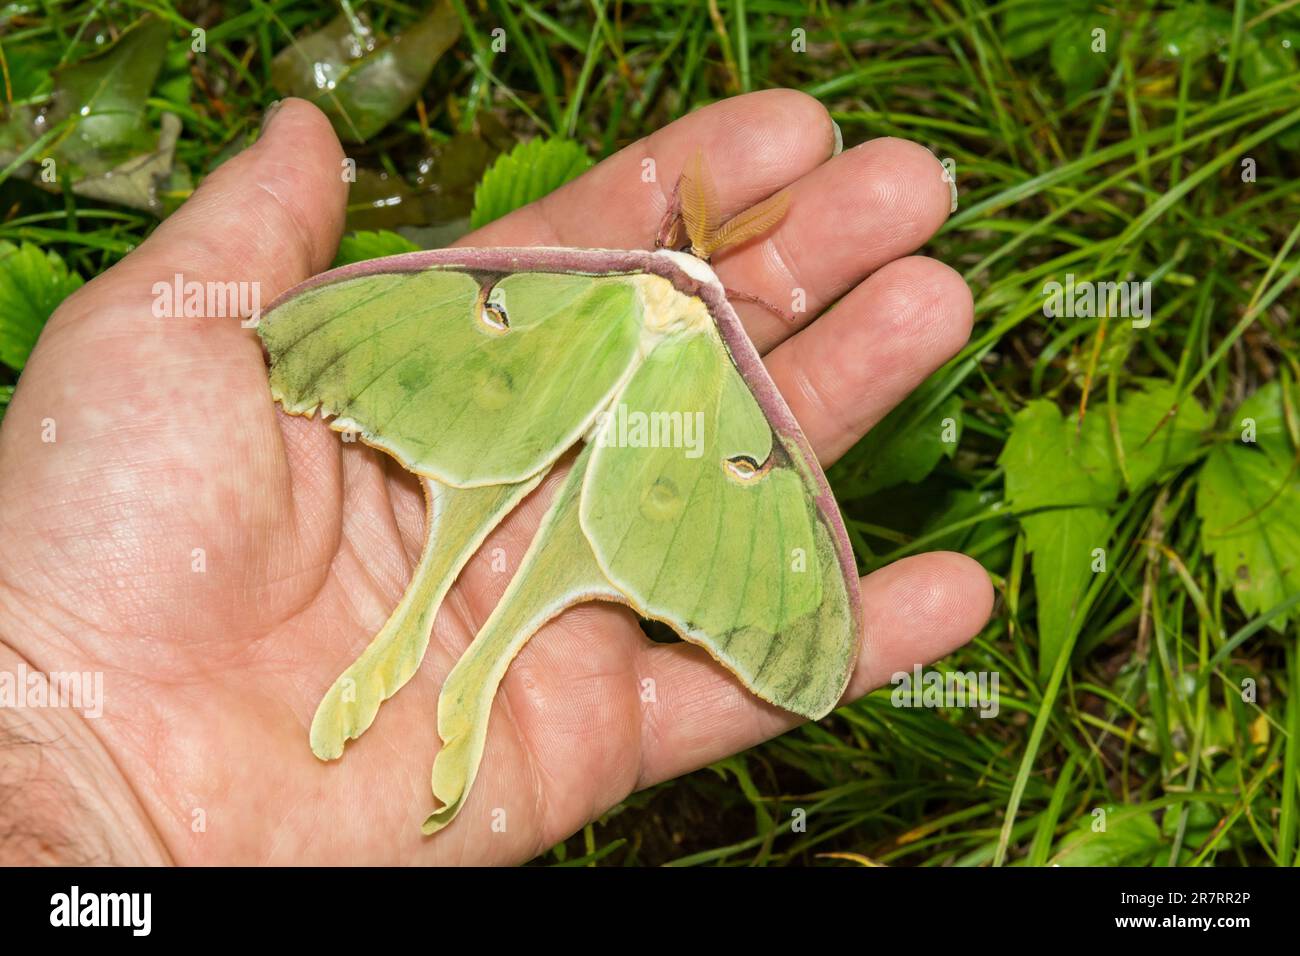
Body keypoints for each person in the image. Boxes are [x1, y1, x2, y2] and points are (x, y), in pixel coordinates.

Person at [0, 92, 992, 864]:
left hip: (596, 388)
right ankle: (459, 689)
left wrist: (84, 745)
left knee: (470, 597)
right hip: (623, 404)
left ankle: (437, 672)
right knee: (468, 603)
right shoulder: (704, 352)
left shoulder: (602, 299)